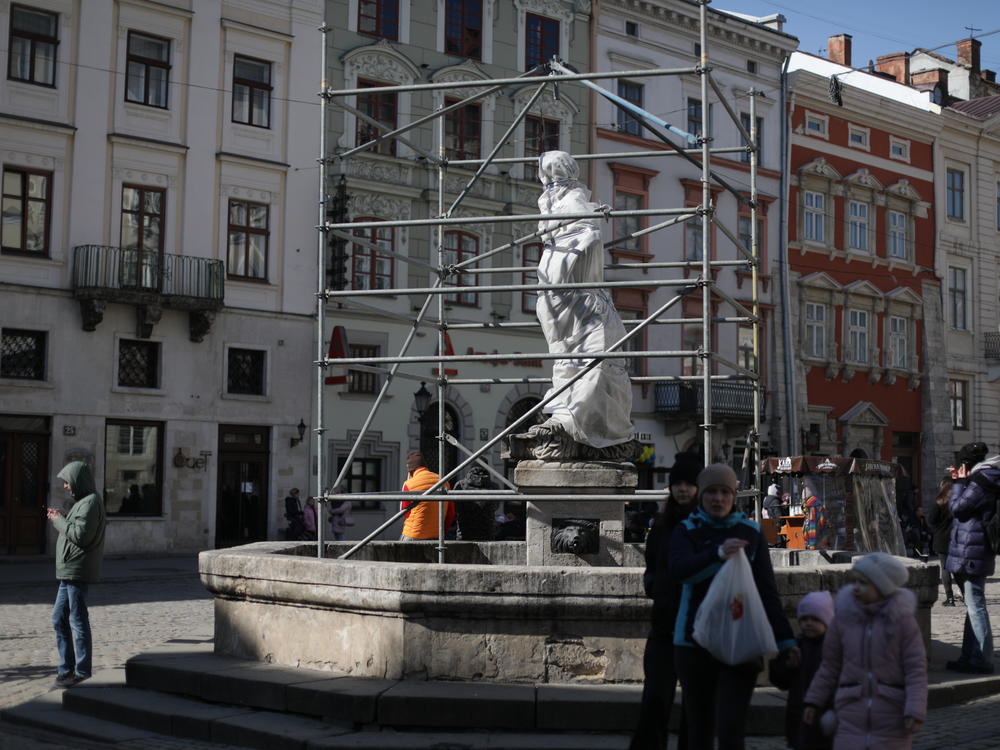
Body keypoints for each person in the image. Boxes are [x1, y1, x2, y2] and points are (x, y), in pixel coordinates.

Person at [669, 463, 799, 749]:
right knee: (699, 730)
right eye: (711, 492)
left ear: (734, 495)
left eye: (725, 492)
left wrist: (786, 640)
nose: (718, 499)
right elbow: (680, 571)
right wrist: (717, 554)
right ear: (701, 496)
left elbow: (766, 592)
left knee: (731, 729)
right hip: (693, 643)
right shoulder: (686, 530)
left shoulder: (750, 532)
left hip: (741, 639)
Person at [524, 150, 634, 457]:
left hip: (578, 298)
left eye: (545, 179)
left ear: (553, 178)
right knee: (569, 359)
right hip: (565, 296)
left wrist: (584, 228)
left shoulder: (571, 204)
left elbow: (584, 236)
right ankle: (566, 413)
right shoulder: (561, 204)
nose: (543, 187)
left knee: (590, 362)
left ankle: (573, 417)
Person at [803, 553, 927, 750]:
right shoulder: (843, 619)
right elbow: (829, 666)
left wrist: (915, 709)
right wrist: (813, 701)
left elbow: (916, 670)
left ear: (882, 587)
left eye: (864, 583)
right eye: (855, 582)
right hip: (850, 710)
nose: (856, 588)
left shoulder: (903, 621)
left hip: (891, 715)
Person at [629, 452, 701, 750]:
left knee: (695, 706)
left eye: (688, 484)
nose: (683, 489)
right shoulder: (660, 526)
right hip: (663, 625)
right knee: (655, 699)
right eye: (678, 484)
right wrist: (655, 586)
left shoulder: (705, 525)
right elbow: (651, 568)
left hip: (697, 630)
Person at [47, 461, 106, 688]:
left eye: (67, 481)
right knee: (58, 618)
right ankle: (65, 669)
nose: (65, 486)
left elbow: (80, 536)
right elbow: (76, 527)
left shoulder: (90, 503)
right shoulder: (83, 503)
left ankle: (81, 672)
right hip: (69, 570)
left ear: (77, 481)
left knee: (77, 619)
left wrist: (58, 521)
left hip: (77, 569)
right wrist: (63, 516)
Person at [945, 441, 996, 674]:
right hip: (974, 548)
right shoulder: (985, 477)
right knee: (972, 605)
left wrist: (958, 484)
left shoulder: (981, 481)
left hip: (971, 550)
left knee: (975, 606)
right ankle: (970, 656)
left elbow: (958, 509)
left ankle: (983, 659)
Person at [769, 591, 835, 750]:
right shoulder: (796, 647)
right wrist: (786, 666)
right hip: (798, 716)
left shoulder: (833, 649)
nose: (808, 623)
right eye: (804, 619)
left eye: (815, 619)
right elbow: (779, 680)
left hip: (825, 714)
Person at [400, 451, 454, 540]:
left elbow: (404, 512)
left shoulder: (408, 484)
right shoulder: (444, 482)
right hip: (437, 535)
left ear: (410, 470)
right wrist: (442, 530)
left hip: (414, 534)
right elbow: (451, 513)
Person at [927, 476, 959, 606]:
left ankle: (950, 598)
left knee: (945, 568)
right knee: (957, 569)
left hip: (942, 538)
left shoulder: (939, 502)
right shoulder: (958, 502)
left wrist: (937, 529)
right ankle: (965, 594)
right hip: (956, 538)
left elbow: (931, 520)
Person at [452, 465, 497, 541]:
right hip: (487, 531)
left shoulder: (460, 485)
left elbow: (455, 507)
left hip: (464, 530)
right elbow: (496, 506)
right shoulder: (493, 486)